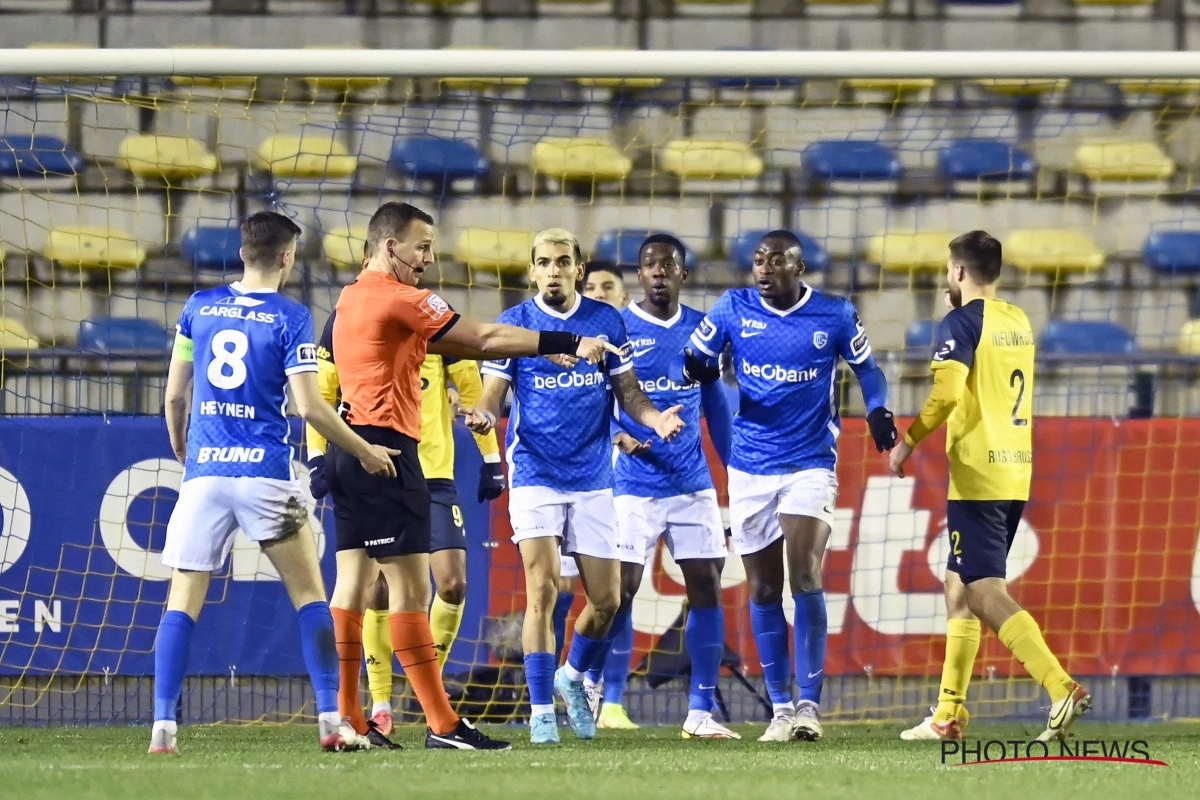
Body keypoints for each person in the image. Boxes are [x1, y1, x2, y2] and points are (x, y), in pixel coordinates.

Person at [321, 204, 617, 751]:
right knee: (411, 592)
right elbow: (481, 338)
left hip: (348, 447)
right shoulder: (404, 298)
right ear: (390, 248)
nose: (429, 259)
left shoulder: (350, 297)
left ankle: (346, 718)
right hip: (388, 452)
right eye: (421, 247)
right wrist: (565, 341)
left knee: (353, 588)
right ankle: (442, 724)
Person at [151, 212, 400, 755]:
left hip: (205, 476)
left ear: (242, 252)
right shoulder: (292, 318)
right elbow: (310, 407)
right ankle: (331, 722)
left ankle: (163, 731)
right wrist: (362, 448)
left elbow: (173, 396)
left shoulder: (199, 308)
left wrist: (183, 445)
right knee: (311, 598)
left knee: (181, 603)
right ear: (288, 257)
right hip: (264, 473)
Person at [673, 230, 899, 743]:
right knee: (763, 587)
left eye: (776, 260)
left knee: (805, 573)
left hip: (809, 462)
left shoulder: (835, 314)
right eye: (758, 259)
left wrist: (880, 407)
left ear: (799, 268)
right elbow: (695, 357)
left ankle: (809, 707)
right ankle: (779, 708)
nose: (764, 266)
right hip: (750, 466)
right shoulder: (733, 307)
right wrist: (696, 366)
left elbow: (869, 369)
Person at [464, 228, 685, 746]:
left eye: (564, 261)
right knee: (542, 590)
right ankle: (543, 711)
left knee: (607, 599)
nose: (555, 270)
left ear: (578, 270)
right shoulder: (515, 324)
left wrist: (653, 420)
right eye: (545, 262)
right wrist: (481, 415)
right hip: (536, 475)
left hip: (593, 479)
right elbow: (494, 394)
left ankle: (571, 676)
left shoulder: (606, 321)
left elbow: (629, 394)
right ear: (533, 270)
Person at [892, 231, 1090, 743]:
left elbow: (946, 393)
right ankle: (948, 714)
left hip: (978, 473)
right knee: (958, 587)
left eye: (947, 271)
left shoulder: (960, 321)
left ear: (958, 272)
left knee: (982, 591)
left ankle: (1058, 684)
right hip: (1015, 467)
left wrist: (908, 442)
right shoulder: (1018, 319)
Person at [305, 316, 504, 735]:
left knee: (451, 584)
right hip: (375, 467)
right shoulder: (347, 320)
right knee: (374, 589)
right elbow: (321, 394)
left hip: (433, 476)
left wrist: (490, 457)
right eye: (421, 248)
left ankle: (425, 687)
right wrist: (317, 456)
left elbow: (472, 389)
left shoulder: (431, 318)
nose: (424, 260)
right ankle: (378, 705)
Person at [593, 234, 739, 739]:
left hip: (692, 483)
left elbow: (717, 408)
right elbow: (598, 405)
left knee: (706, 586)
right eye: (650, 265)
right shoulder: (617, 328)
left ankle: (699, 712)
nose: (658, 272)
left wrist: (734, 475)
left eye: (668, 265)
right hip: (632, 484)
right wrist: (618, 438)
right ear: (639, 274)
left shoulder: (704, 329)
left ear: (683, 274)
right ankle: (590, 686)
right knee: (619, 592)